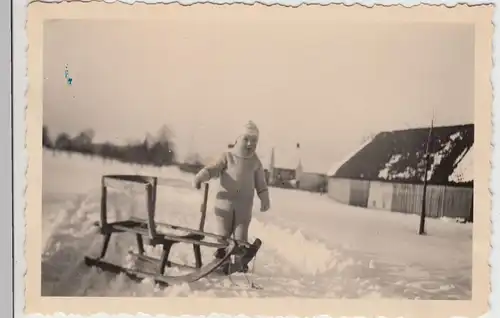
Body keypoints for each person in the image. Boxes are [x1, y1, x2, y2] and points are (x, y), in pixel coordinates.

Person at [193, 120, 270, 263]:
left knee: (241, 236)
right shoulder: (227, 157)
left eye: (254, 141)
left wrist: (264, 198)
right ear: (237, 139)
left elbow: (261, 182)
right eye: (246, 139)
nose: (249, 144)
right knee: (223, 234)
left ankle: (239, 260)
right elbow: (213, 169)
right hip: (224, 205)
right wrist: (201, 177)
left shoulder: (255, 162)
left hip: (244, 207)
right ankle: (222, 258)